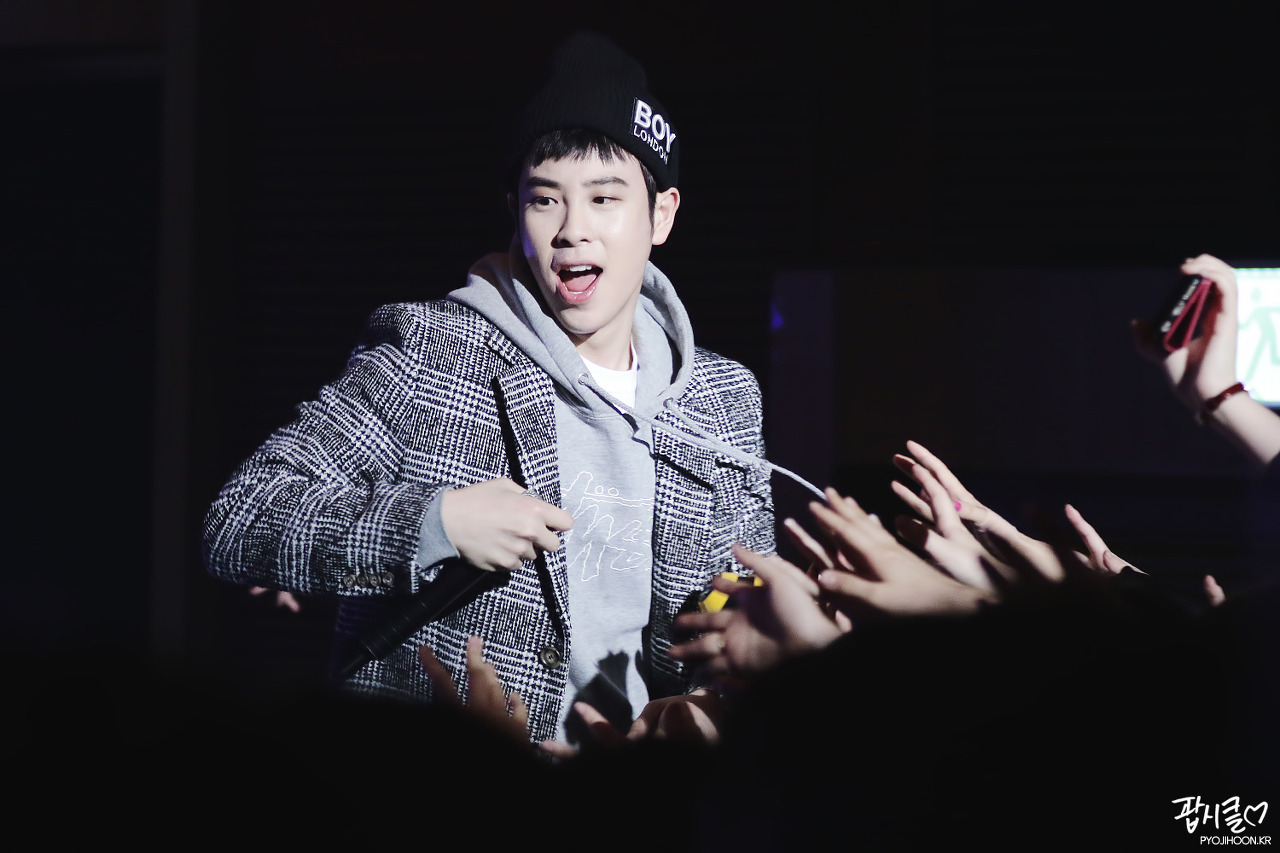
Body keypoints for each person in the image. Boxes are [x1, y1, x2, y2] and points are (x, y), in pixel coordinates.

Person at [202, 31, 786, 749]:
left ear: (660, 214)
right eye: (546, 200)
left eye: (605, 198)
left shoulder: (723, 397)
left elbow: (742, 595)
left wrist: (719, 691)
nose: (572, 231)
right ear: (515, 209)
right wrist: (435, 523)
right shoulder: (433, 350)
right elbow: (241, 518)